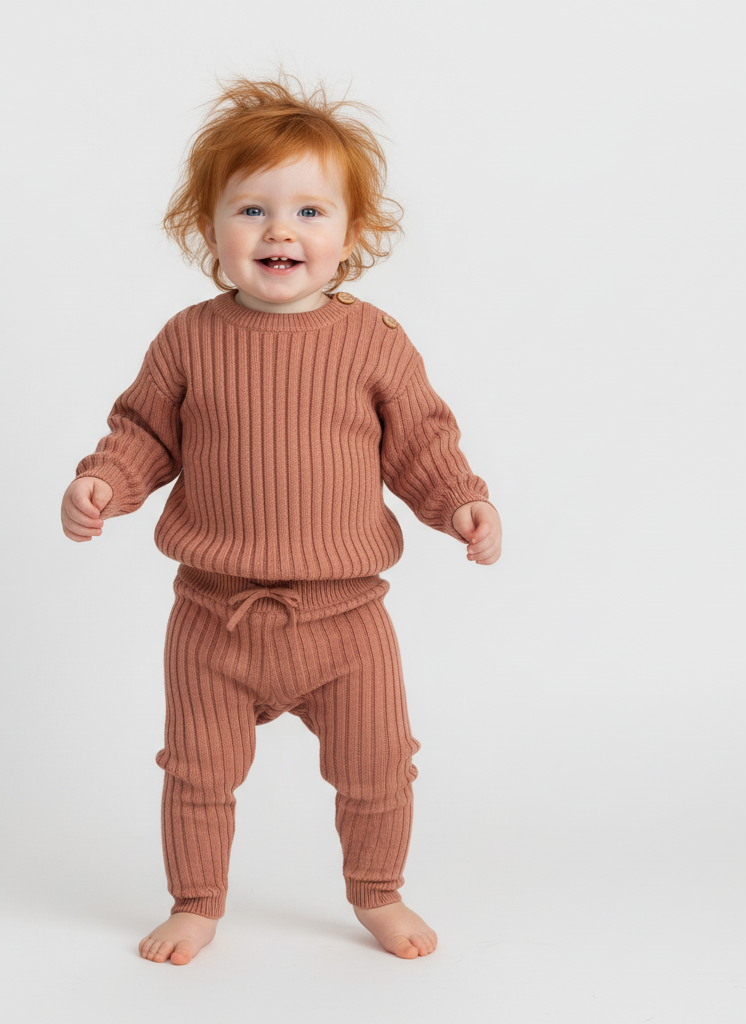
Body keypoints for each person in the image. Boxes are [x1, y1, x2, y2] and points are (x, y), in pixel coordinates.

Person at [60, 74, 502, 966]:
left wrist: (459, 499)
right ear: (210, 227)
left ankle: (378, 892)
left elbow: (420, 439)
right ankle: (196, 903)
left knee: (379, 770)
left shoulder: (373, 340)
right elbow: (143, 431)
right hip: (213, 616)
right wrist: (106, 480)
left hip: (346, 621)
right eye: (252, 210)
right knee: (196, 774)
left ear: (353, 233)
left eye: (308, 211)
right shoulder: (189, 339)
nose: (279, 232)